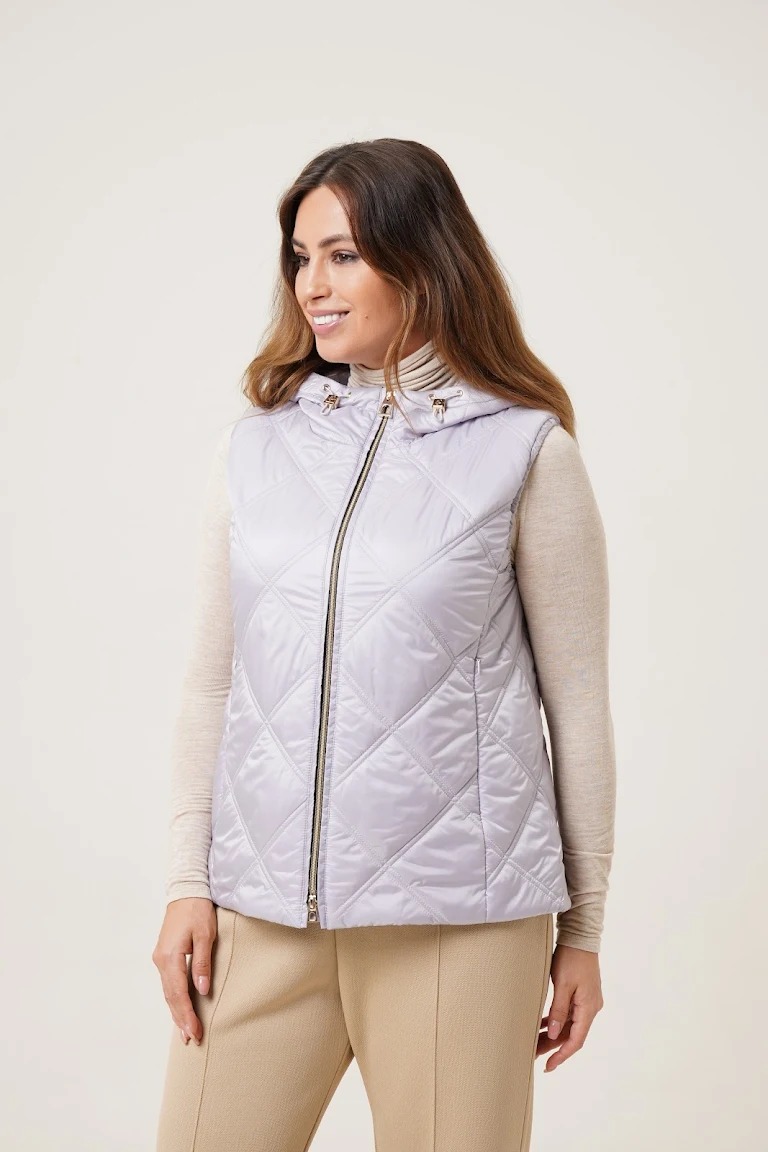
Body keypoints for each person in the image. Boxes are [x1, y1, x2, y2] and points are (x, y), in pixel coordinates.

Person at [152, 138, 616, 1152]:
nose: (313, 285)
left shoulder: (526, 451)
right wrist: (190, 881)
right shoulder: (255, 450)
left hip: (458, 925)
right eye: (301, 257)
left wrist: (581, 929)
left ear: (422, 258)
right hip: (262, 918)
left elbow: (577, 707)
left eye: (344, 255)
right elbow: (211, 686)